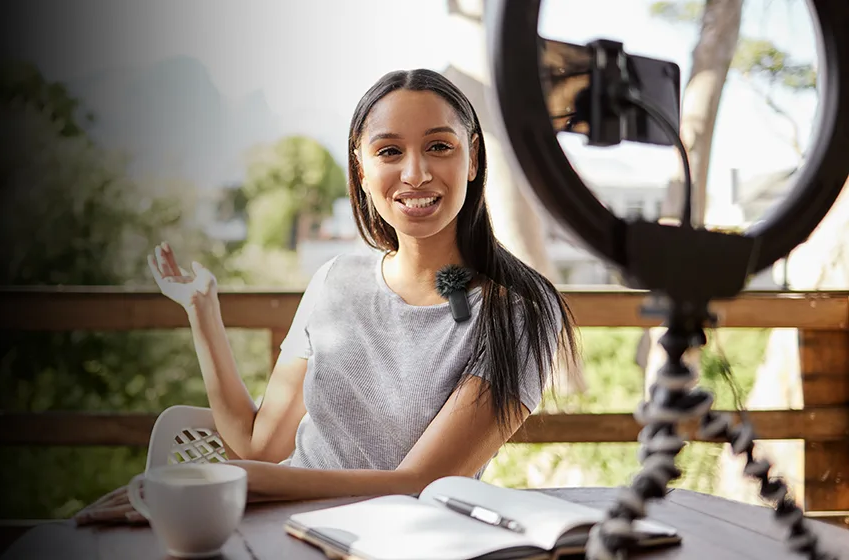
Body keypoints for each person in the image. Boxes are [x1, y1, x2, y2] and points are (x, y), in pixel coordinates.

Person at [75, 68, 583, 525]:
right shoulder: (335, 280)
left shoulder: (521, 311)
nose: (415, 174)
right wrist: (201, 309)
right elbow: (259, 446)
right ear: (361, 172)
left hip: (408, 543)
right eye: (388, 151)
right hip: (286, 528)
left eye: (439, 147)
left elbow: (419, 485)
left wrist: (242, 482)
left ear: (472, 158)